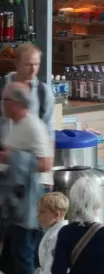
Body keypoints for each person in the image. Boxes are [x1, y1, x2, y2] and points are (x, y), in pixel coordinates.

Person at [0, 82, 52, 274]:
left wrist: (13, 157)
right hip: (17, 195)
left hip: (31, 196)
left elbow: (45, 163)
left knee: (23, 251)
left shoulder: (33, 126)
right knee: (15, 250)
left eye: (5, 100)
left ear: (16, 104)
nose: (2, 105)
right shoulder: (14, 124)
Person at [0, 43, 56, 178]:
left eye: (36, 64)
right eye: (28, 65)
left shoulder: (44, 93)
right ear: (16, 63)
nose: (33, 70)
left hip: (31, 169)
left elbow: (49, 131)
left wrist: (47, 166)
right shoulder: (2, 88)